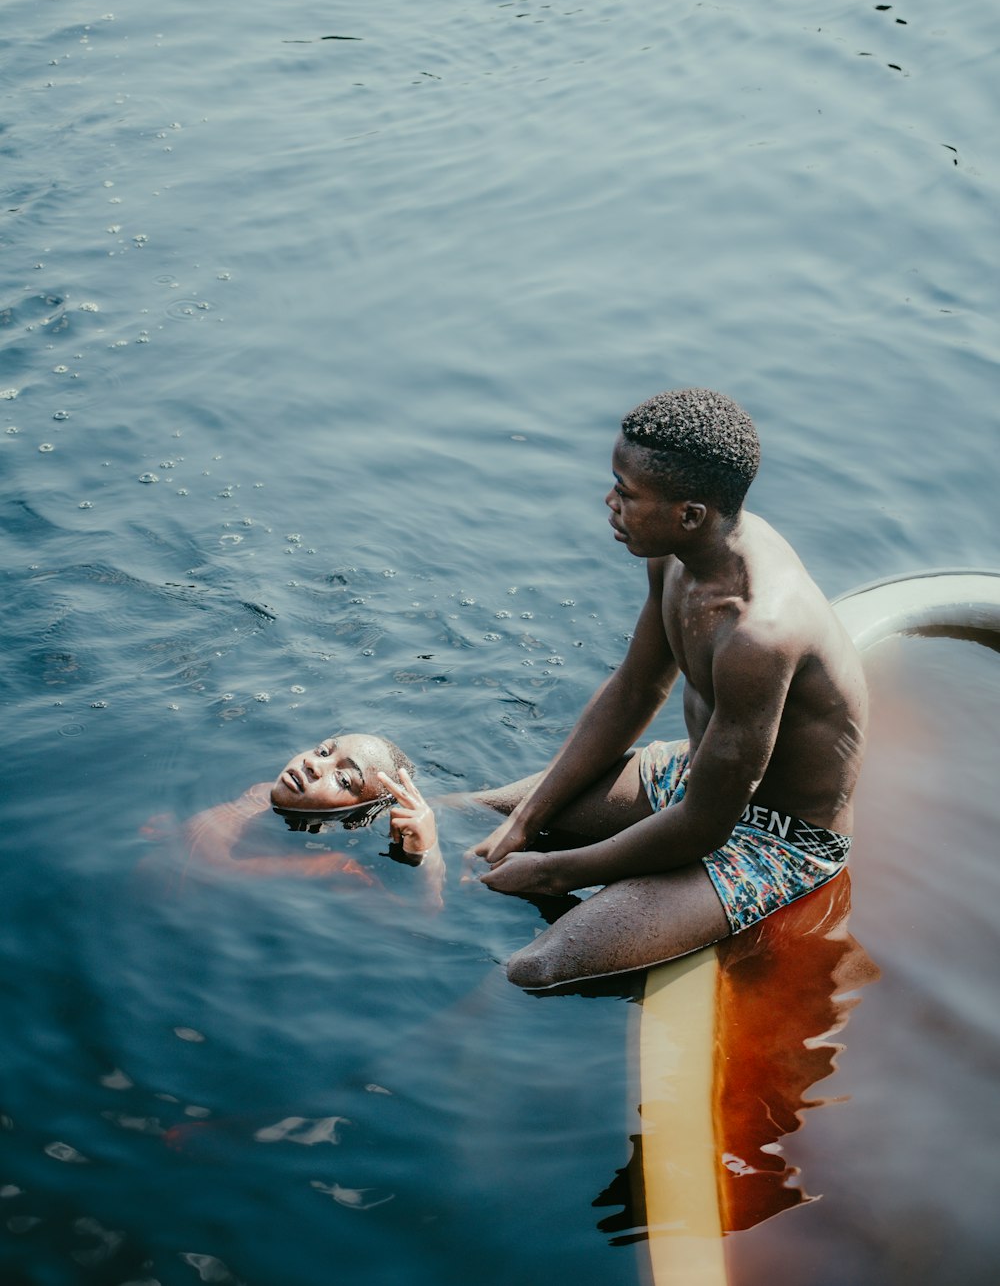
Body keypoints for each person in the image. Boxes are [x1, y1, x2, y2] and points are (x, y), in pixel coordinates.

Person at [471, 387, 868, 989]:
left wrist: (553, 872)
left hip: (777, 837)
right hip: (699, 775)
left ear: (689, 513)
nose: (610, 503)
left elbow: (707, 826)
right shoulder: (677, 553)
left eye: (626, 494)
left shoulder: (759, 633)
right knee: (478, 817)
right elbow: (634, 690)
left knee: (534, 968)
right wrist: (527, 820)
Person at [175, 733, 444, 900]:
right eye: (324, 751)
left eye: (343, 778)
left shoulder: (331, 867)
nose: (313, 764)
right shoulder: (260, 793)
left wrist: (428, 857)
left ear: (356, 819)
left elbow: (420, 929)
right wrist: (173, 830)